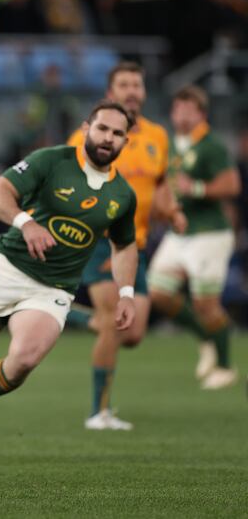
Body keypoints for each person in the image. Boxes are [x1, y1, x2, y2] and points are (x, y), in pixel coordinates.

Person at [0, 101, 139, 459]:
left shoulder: (123, 195)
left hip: (54, 287)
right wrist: (27, 223)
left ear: (125, 141)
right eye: (102, 129)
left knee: (24, 360)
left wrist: (126, 292)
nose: (107, 138)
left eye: (117, 133)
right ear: (86, 128)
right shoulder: (51, 161)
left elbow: (125, 246)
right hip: (8, 268)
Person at [66, 61, 183, 430]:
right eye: (124, 85)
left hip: (136, 245)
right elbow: (71, 189)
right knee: (115, 326)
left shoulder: (158, 137)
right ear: (110, 93)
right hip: (99, 243)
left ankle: (66, 309)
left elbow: (160, 183)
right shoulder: (87, 137)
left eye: (137, 84)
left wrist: (173, 209)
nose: (132, 91)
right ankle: (98, 412)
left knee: (132, 333)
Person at [147, 85, 241, 389]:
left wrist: (197, 188)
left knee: (206, 304)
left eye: (189, 109)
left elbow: (232, 185)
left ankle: (225, 366)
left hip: (209, 233)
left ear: (201, 113)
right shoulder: (171, 144)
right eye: (177, 108)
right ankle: (205, 338)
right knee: (158, 292)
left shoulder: (211, 145)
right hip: (179, 231)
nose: (182, 114)